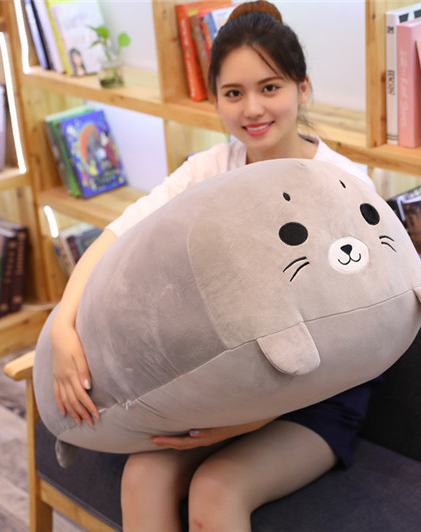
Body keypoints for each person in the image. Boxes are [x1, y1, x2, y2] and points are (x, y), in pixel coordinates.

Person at [49, 2, 380, 530]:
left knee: (216, 490)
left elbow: (361, 332)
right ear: (216, 99)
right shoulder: (209, 169)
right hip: (227, 387)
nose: (253, 108)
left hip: (315, 396)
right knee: (143, 475)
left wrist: (248, 421)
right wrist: (64, 325)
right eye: (234, 93)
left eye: (270, 87)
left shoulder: (343, 182)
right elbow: (118, 234)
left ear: (303, 88)